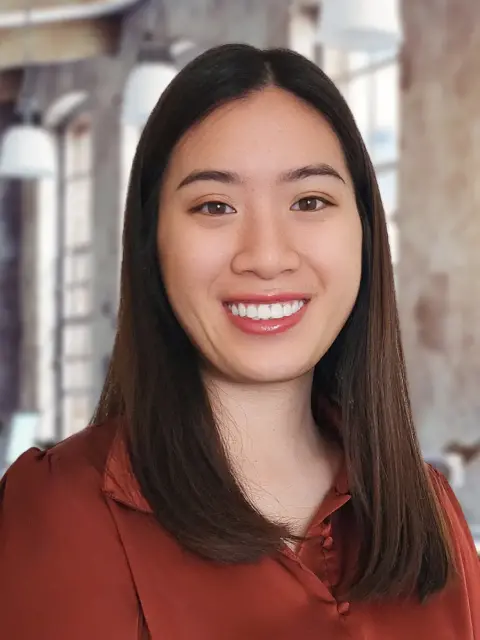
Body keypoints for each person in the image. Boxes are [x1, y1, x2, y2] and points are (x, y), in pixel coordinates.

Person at [0, 44, 478, 639]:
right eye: (215, 206)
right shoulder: (61, 509)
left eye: (309, 201)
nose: (267, 256)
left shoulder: (430, 514)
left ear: (364, 231)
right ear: (152, 244)